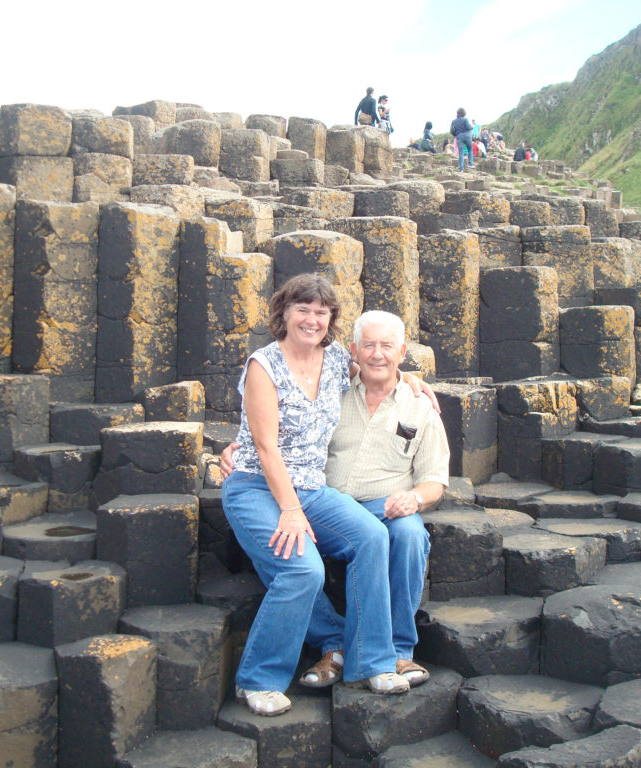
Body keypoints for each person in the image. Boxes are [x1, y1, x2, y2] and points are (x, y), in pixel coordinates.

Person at [223, 275, 437, 716]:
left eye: (321, 312)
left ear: (331, 319)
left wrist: (410, 379)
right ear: (284, 313)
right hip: (256, 487)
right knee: (303, 570)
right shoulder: (263, 365)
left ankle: (372, 663)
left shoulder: (338, 358)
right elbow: (264, 446)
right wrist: (290, 510)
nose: (312, 319)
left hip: (312, 489)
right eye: (302, 309)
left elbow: (377, 369)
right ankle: (259, 679)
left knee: (373, 537)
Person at [451, 107, 474, 172]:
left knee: (461, 152)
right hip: (467, 135)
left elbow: (451, 131)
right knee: (470, 149)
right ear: (464, 113)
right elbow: (468, 127)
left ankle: (461, 169)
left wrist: (456, 135)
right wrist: (472, 127)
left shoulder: (453, 121)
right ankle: (470, 164)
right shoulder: (465, 119)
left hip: (459, 136)